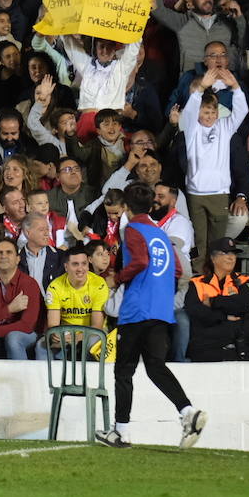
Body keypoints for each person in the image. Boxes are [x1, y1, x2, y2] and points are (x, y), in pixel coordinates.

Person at [96, 182, 207, 450]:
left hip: (137, 309)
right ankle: (187, 411)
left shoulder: (132, 229)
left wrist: (119, 277)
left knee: (124, 371)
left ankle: (121, 431)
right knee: (155, 366)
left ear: (125, 207)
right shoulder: (159, 233)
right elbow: (179, 270)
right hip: (160, 309)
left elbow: (140, 262)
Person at [180, 64, 248, 261]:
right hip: (196, 193)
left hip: (219, 193)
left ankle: (216, 279)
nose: (209, 116)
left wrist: (235, 86)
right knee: (199, 242)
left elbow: (241, 111)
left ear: (218, 113)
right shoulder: (191, 129)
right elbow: (190, 111)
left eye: (212, 112)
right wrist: (201, 88)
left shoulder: (225, 128)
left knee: (218, 242)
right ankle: (200, 279)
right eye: (205, 112)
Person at [184, 238, 249, 361]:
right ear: (213, 258)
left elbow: (244, 304)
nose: (231, 257)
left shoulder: (245, 280)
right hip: (207, 350)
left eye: (233, 253)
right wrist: (224, 316)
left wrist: (213, 302)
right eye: (225, 253)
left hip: (242, 350)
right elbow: (195, 311)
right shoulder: (197, 282)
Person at [38, 243, 109, 359]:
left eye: (84, 264)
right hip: (66, 332)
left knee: (93, 343)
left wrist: (77, 338)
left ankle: (87, 377)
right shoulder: (55, 286)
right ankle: (49, 377)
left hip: (93, 332)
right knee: (41, 346)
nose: (80, 269)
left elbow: (97, 326)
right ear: (66, 267)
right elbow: (53, 324)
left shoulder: (99, 284)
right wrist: (56, 334)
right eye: (75, 264)